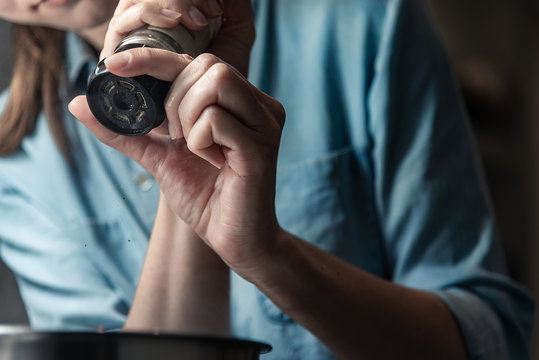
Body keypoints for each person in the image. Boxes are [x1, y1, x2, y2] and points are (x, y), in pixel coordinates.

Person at [0, 0, 534, 359]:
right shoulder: (19, 158)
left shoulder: (365, 26)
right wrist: (189, 184)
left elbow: (488, 338)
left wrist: (266, 253)